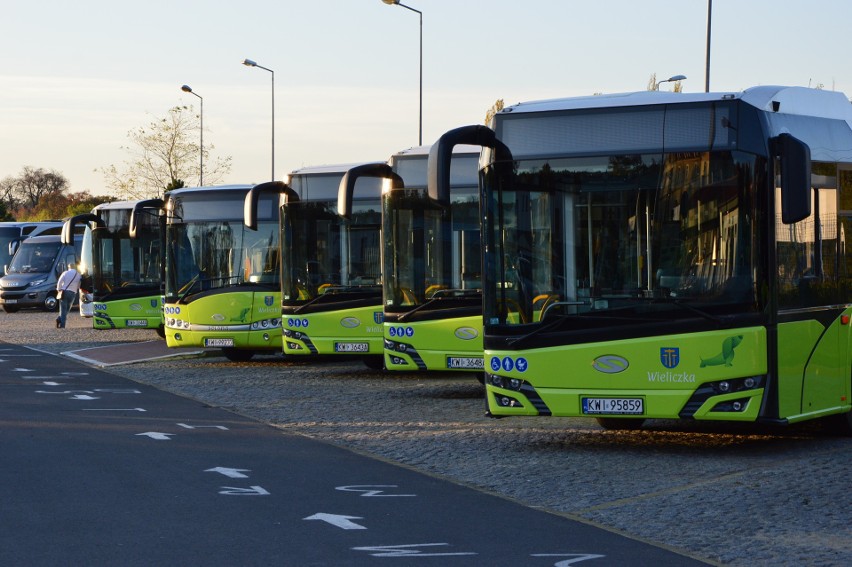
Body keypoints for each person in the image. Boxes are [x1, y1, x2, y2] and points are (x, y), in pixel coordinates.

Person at [55, 263, 81, 329]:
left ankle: (62, 324)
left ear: (69, 267)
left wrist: (58, 290)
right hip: (73, 293)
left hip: (64, 292)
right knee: (67, 309)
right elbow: (79, 285)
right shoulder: (78, 275)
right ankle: (59, 319)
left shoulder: (65, 273)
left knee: (63, 309)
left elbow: (59, 282)